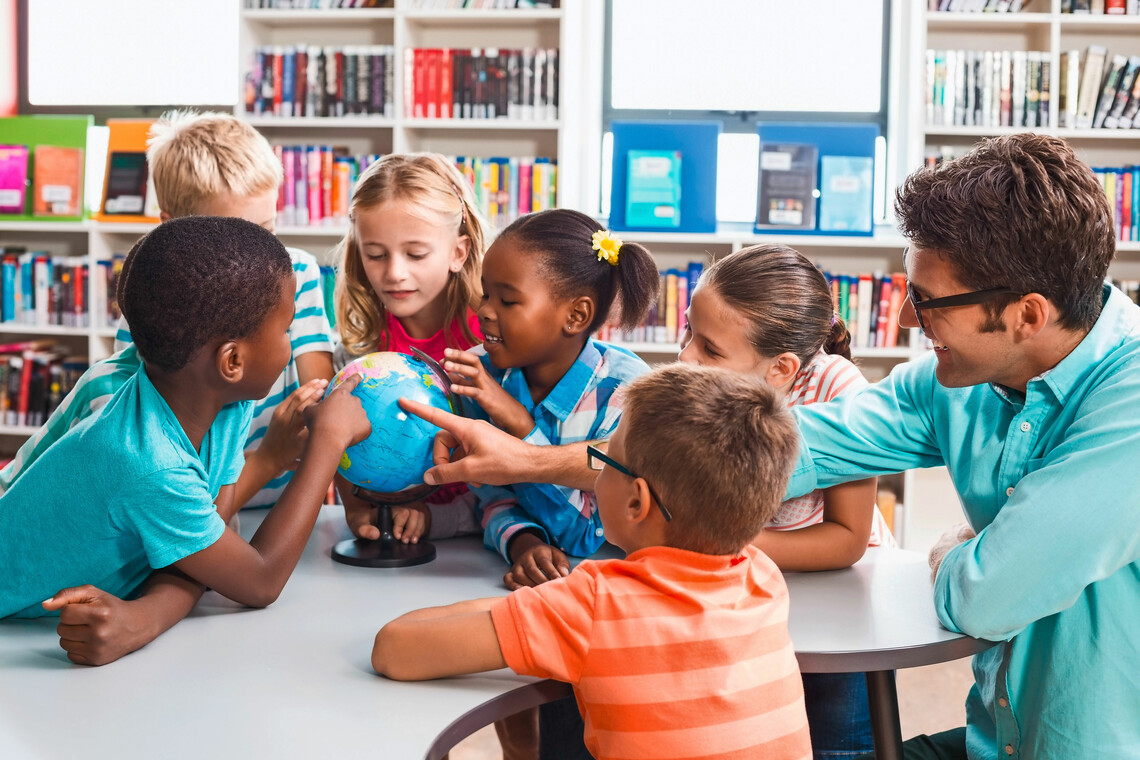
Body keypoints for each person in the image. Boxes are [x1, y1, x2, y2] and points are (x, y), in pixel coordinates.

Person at [376, 363, 813, 760]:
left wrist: (541, 605)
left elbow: (395, 649)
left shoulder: (593, 604)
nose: (596, 472)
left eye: (604, 462)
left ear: (636, 502)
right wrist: (537, 607)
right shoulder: (763, 577)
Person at [0, 219, 370, 657]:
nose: (291, 346)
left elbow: (210, 536)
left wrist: (146, 616)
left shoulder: (222, 400)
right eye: (286, 329)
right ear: (232, 361)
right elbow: (259, 580)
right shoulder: (147, 462)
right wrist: (327, 441)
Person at [0, 110, 336, 513]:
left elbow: (320, 401)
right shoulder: (157, 303)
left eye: (268, 230)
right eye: (235, 241)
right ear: (170, 230)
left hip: (279, 506)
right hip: (190, 506)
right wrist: (266, 461)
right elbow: (151, 458)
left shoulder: (296, 271)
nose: (261, 258)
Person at [679, 243, 892, 759]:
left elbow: (847, 541)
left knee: (838, 739)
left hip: (839, 595)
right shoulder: (693, 387)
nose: (685, 356)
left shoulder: (839, 393)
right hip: (747, 584)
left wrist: (728, 541)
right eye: (689, 332)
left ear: (781, 369)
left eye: (709, 348)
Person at [333, 152, 486, 543]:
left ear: (458, 252)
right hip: (391, 530)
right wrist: (358, 511)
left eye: (415, 254)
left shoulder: (488, 340)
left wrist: (438, 516)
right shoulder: (362, 342)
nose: (394, 273)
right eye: (375, 254)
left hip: (482, 528)